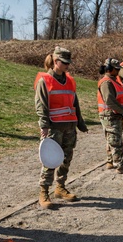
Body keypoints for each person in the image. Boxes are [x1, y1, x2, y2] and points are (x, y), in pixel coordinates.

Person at [35, 46, 88, 209]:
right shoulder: (45, 80)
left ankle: (60, 187)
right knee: (50, 160)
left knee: (66, 158)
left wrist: (80, 122)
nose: (67, 66)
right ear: (56, 62)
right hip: (54, 128)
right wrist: (44, 126)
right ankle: (44, 192)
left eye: (68, 63)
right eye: (64, 62)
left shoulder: (70, 80)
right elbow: (41, 105)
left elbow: (75, 103)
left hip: (69, 127)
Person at [97, 57, 123, 174]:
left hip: (113, 114)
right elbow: (110, 101)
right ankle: (120, 166)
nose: (118, 71)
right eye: (116, 69)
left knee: (111, 139)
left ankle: (110, 161)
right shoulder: (106, 82)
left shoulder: (113, 80)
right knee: (116, 141)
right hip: (110, 115)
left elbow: (118, 97)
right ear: (109, 69)